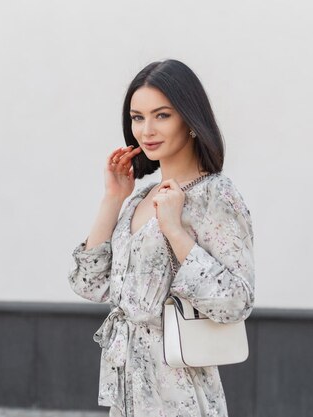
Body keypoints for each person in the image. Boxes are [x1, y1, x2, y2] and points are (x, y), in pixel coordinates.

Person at [68, 59, 255, 417]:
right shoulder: (139, 198)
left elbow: (236, 302)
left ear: (191, 120)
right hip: (127, 393)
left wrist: (175, 229)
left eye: (162, 115)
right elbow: (89, 284)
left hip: (179, 394)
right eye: (137, 117)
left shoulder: (216, 196)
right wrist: (113, 198)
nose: (146, 129)